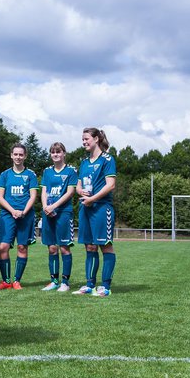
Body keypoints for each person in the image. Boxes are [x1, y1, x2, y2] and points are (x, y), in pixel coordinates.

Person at [75, 127, 117, 297]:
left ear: (96, 139)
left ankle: (105, 286)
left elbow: (111, 185)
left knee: (105, 246)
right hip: (85, 208)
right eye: (83, 139)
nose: (84, 142)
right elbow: (78, 185)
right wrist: (81, 192)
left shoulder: (107, 159)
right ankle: (89, 285)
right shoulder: (84, 162)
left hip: (101, 208)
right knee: (89, 247)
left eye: (87, 139)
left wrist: (93, 199)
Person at [0, 143, 38, 290]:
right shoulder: (5, 175)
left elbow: (33, 196)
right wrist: (13, 210)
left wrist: (23, 212)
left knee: (22, 246)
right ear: (11, 155)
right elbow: (0, 197)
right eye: (16, 154)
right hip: (8, 214)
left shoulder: (30, 175)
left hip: (25, 215)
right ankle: (6, 280)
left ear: (25, 156)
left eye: (21, 154)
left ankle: (16, 281)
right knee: (3, 246)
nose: (18, 157)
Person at [39, 142, 77, 292]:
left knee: (64, 248)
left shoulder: (70, 171)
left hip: (63, 212)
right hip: (48, 212)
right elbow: (44, 191)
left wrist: (54, 206)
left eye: (58, 152)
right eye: (53, 152)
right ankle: (54, 281)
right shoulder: (47, 171)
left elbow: (70, 192)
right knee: (52, 248)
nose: (55, 154)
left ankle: (65, 283)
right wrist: (45, 207)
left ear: (64, 153)